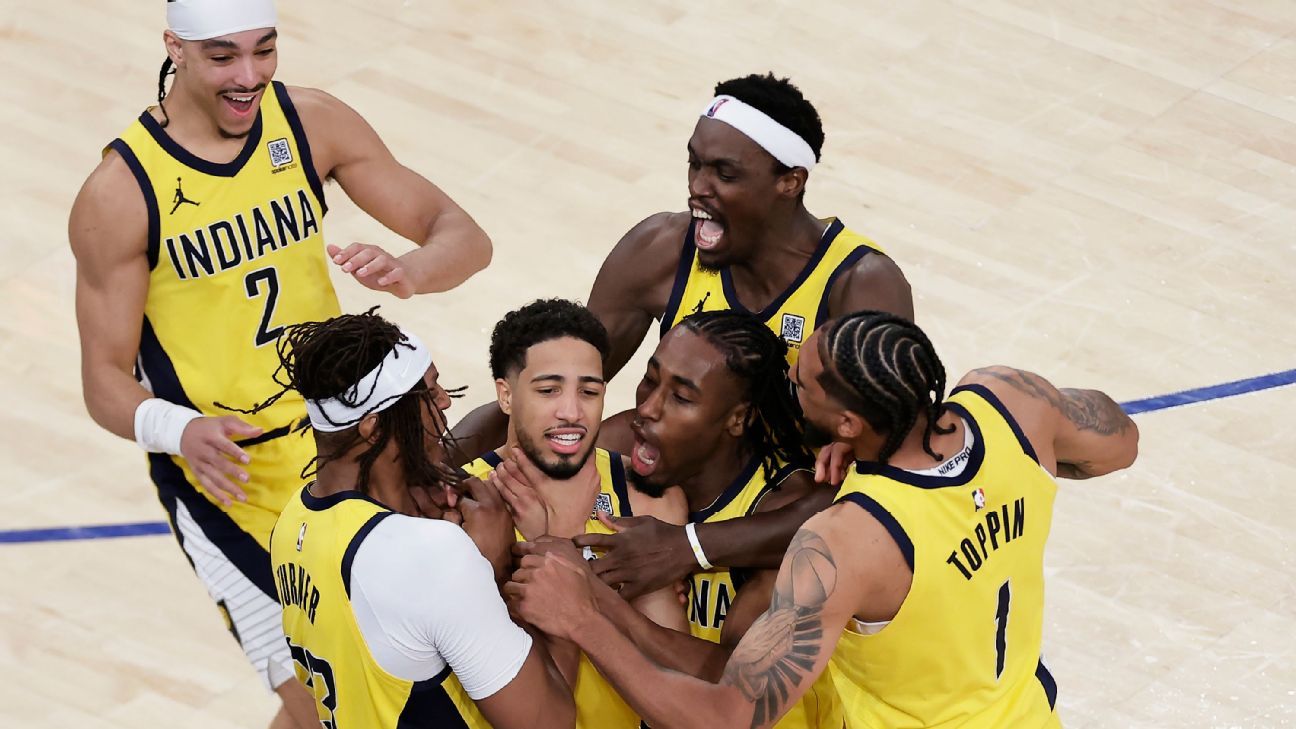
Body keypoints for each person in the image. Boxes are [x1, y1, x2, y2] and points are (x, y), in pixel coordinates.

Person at [67, 1, 491, 724]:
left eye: (264, 50)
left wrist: (412, 269)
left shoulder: (310, 123)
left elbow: (463, 235)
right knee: (324, 701)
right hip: (232, 483)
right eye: (223, 56)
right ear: (174, 47)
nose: (249, 74)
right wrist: (179, 430)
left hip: (349, 442)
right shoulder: (121, 192)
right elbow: (103, 382)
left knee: (358, 694)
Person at [506, 310, 1140, 728]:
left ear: (847, 422)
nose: (789, 384)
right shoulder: (1011, 402)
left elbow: (728, 718)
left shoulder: (848, 542)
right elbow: (1120, 443)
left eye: (802, 385)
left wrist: (584, 618)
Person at [453, 72, 913, 598]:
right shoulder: (661, 249)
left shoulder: (860, 286)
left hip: (789, 514)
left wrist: (687, 548)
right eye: (694, 163)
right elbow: (547, 387)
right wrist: (434, 468)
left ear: (790, 181)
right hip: (673, 476)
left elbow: (884, 486)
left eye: (724, 173)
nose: (698, 186)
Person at [264, 310, 573, 729]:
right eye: (428, 393)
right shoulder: (430, 555)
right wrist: (499, 568)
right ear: (373, 428)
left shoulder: (290, 523)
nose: (445, 400)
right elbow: (549, 723)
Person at [579, 310, 842, 728]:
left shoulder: (779, 513)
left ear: (737, 418)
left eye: (681, 398)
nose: (647, 408)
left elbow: (736, 690)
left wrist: (594, 604)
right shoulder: (616, 444)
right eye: (650, 379)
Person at [461, 299, 687, 729]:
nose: (571, 412)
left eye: (589, 391)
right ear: (506, 395)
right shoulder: (460, 506)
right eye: (548, 390)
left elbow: (673, 687)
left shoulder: (648, 499)